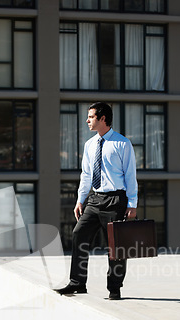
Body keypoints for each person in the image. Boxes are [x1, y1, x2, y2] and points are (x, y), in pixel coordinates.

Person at [56, 102, 138, 300]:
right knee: (78, 234)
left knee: (115, 246)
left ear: (103, 119)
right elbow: (86, 175)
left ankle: (114, 288)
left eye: (91, 117)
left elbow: (130, 176)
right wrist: (80, 200)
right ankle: (77, 282)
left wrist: (132, 204)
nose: (87, 120)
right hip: (94, 199)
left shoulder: (122, 143)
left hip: (115, 199)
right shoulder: (90, 144)